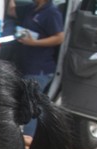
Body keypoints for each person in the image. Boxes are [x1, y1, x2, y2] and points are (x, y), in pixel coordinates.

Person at [15, 0, 64, 136]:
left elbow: (59, 37)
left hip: (39, 69)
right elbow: (11, 11)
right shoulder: (32, 8)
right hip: (27, 66)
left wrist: (34, 43)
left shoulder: (52, 12)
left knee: (31, 108)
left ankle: (28, 142)